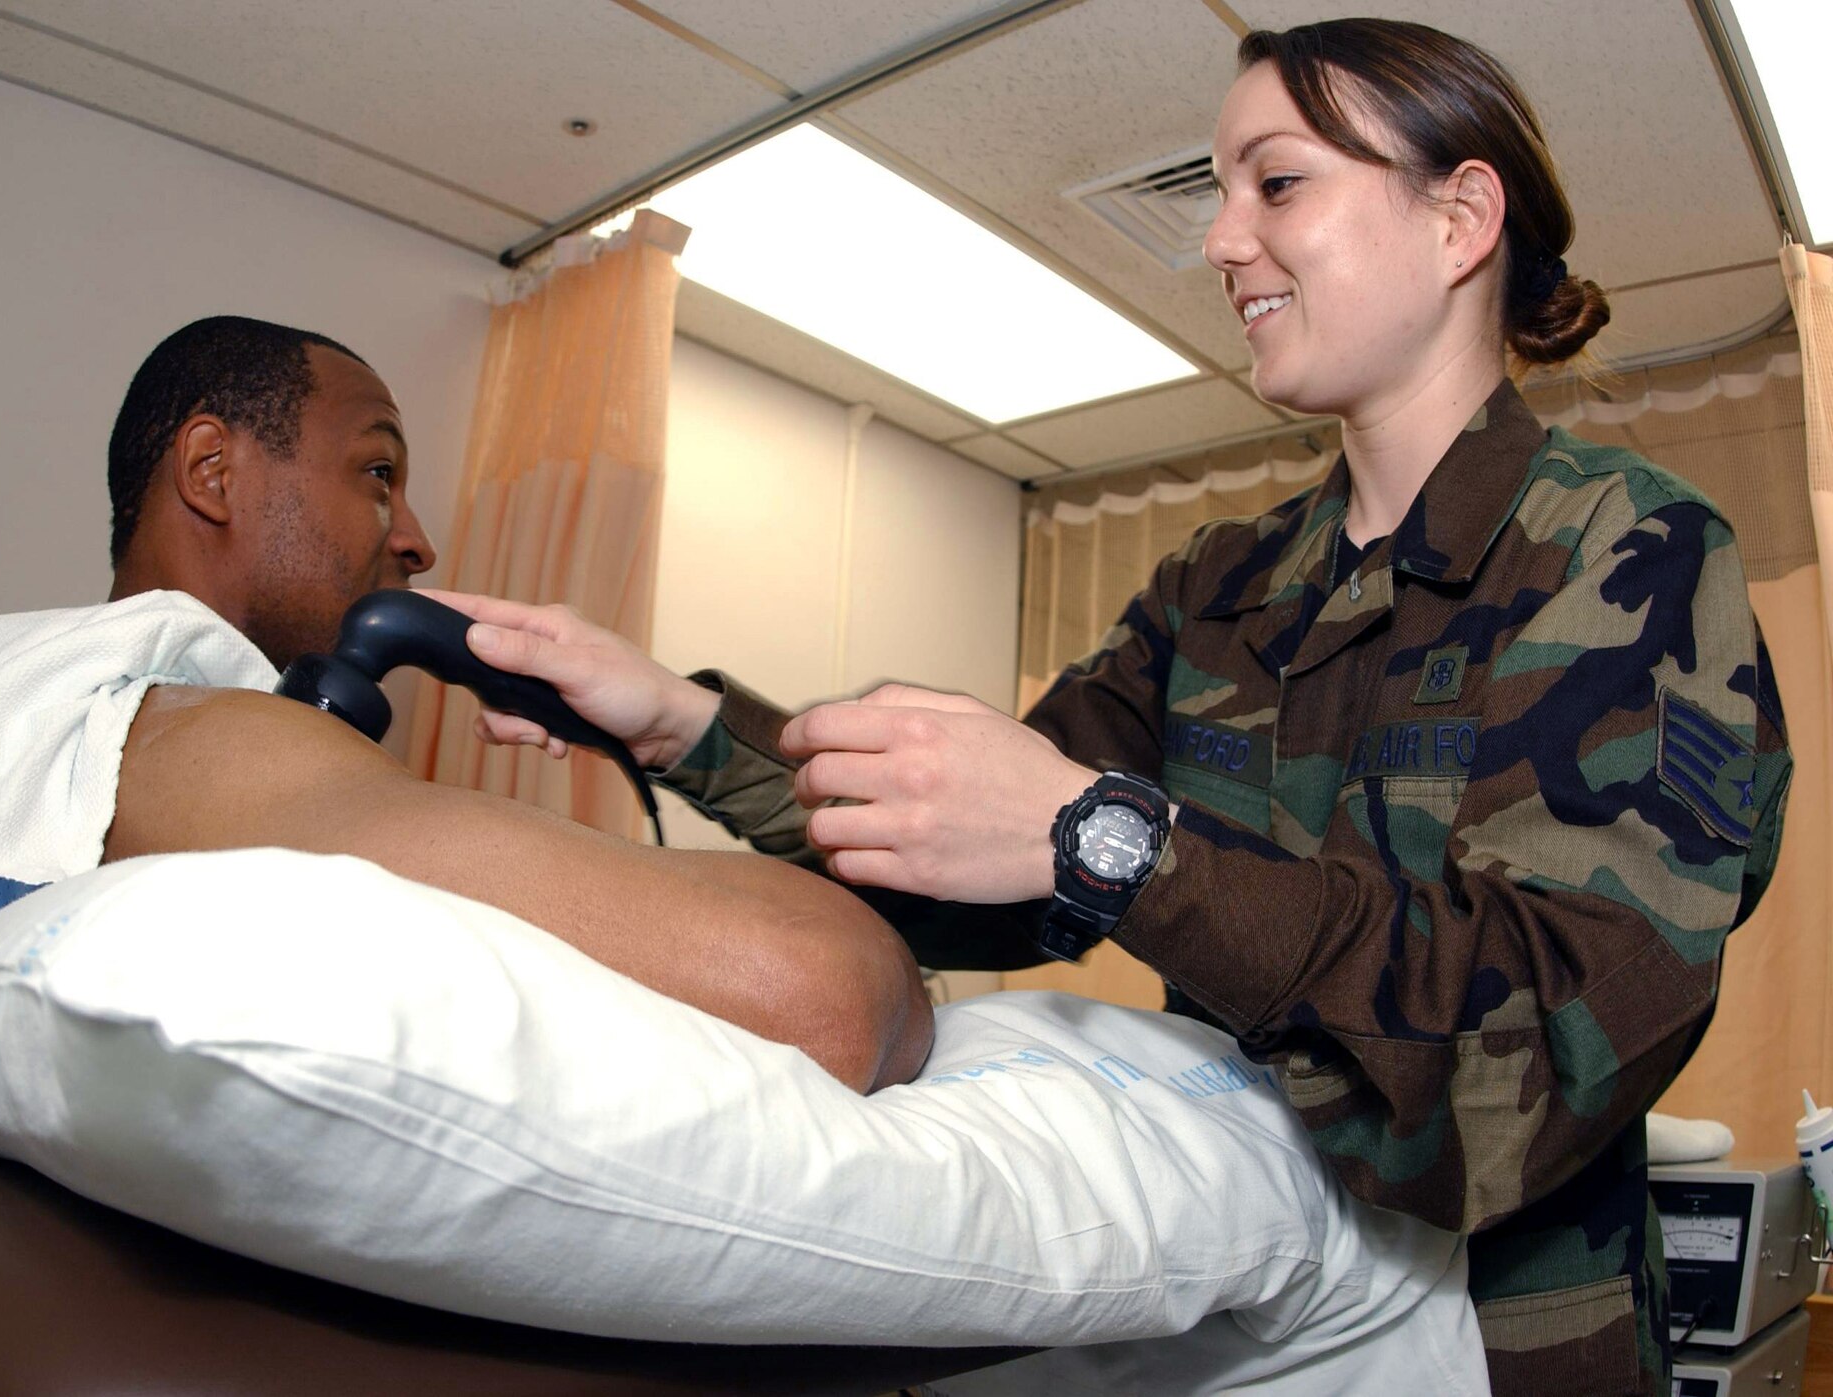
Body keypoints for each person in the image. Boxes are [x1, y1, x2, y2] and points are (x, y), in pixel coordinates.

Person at [438, 20, 1793, 1397]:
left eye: (1276, 184)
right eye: (1220, 192)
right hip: (1231, 1303)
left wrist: (1117, 844)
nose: (1219, 240)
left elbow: (1543, 1059)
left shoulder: (1627, 554)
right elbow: (968, 854)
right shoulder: (1223, 587)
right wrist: (678, 725)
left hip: (1504, 1345)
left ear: (1459, 219)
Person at [0, 316, 930, 1392]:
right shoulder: (169, 741)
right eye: (377, 471)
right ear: (212, 470)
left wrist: (671, 727)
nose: (415, 539)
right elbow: (814, 981)